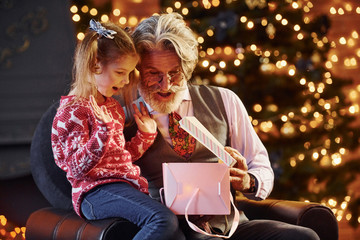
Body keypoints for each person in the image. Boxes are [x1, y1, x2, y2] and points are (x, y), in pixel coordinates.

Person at [123, 12, 321, 240]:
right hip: (169, 230)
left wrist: (248, 181)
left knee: (304, 237)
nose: (165, 85)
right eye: (153, 74)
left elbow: (260, 165)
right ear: (137, 70)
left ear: (187, 68)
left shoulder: (225, 100)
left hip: (228, 226)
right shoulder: (122, 114)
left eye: (174, 73)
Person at [51, 19, 185, 240]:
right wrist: (101, 134)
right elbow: (75, 169)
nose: (125, 81)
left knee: (176, 236)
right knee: (163, 220)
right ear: (95, 65)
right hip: (94, 193)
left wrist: (145, 135)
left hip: (123, 186)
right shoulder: (73, 110)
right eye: (120, 72)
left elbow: (117, 158)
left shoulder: (111, 107)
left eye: (129, 73)